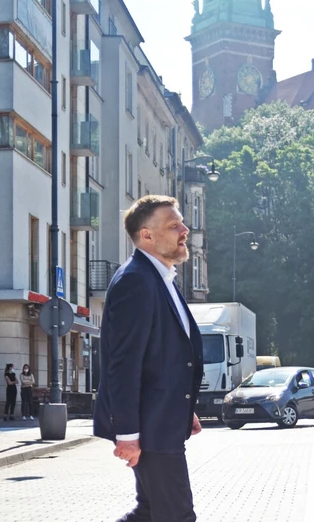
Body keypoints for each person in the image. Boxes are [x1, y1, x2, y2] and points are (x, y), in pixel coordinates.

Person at [93, 195, 204, 522]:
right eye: (174, 225)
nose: (185, 229)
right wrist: (127, 433)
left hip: (163, 420)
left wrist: (186, 408)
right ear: (147, 235)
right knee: (177, 515)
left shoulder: (160, 278)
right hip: (150, 427)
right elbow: (123, 364)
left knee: (151, 512)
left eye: (181, 222)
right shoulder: (136, 281)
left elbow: (165, 358)